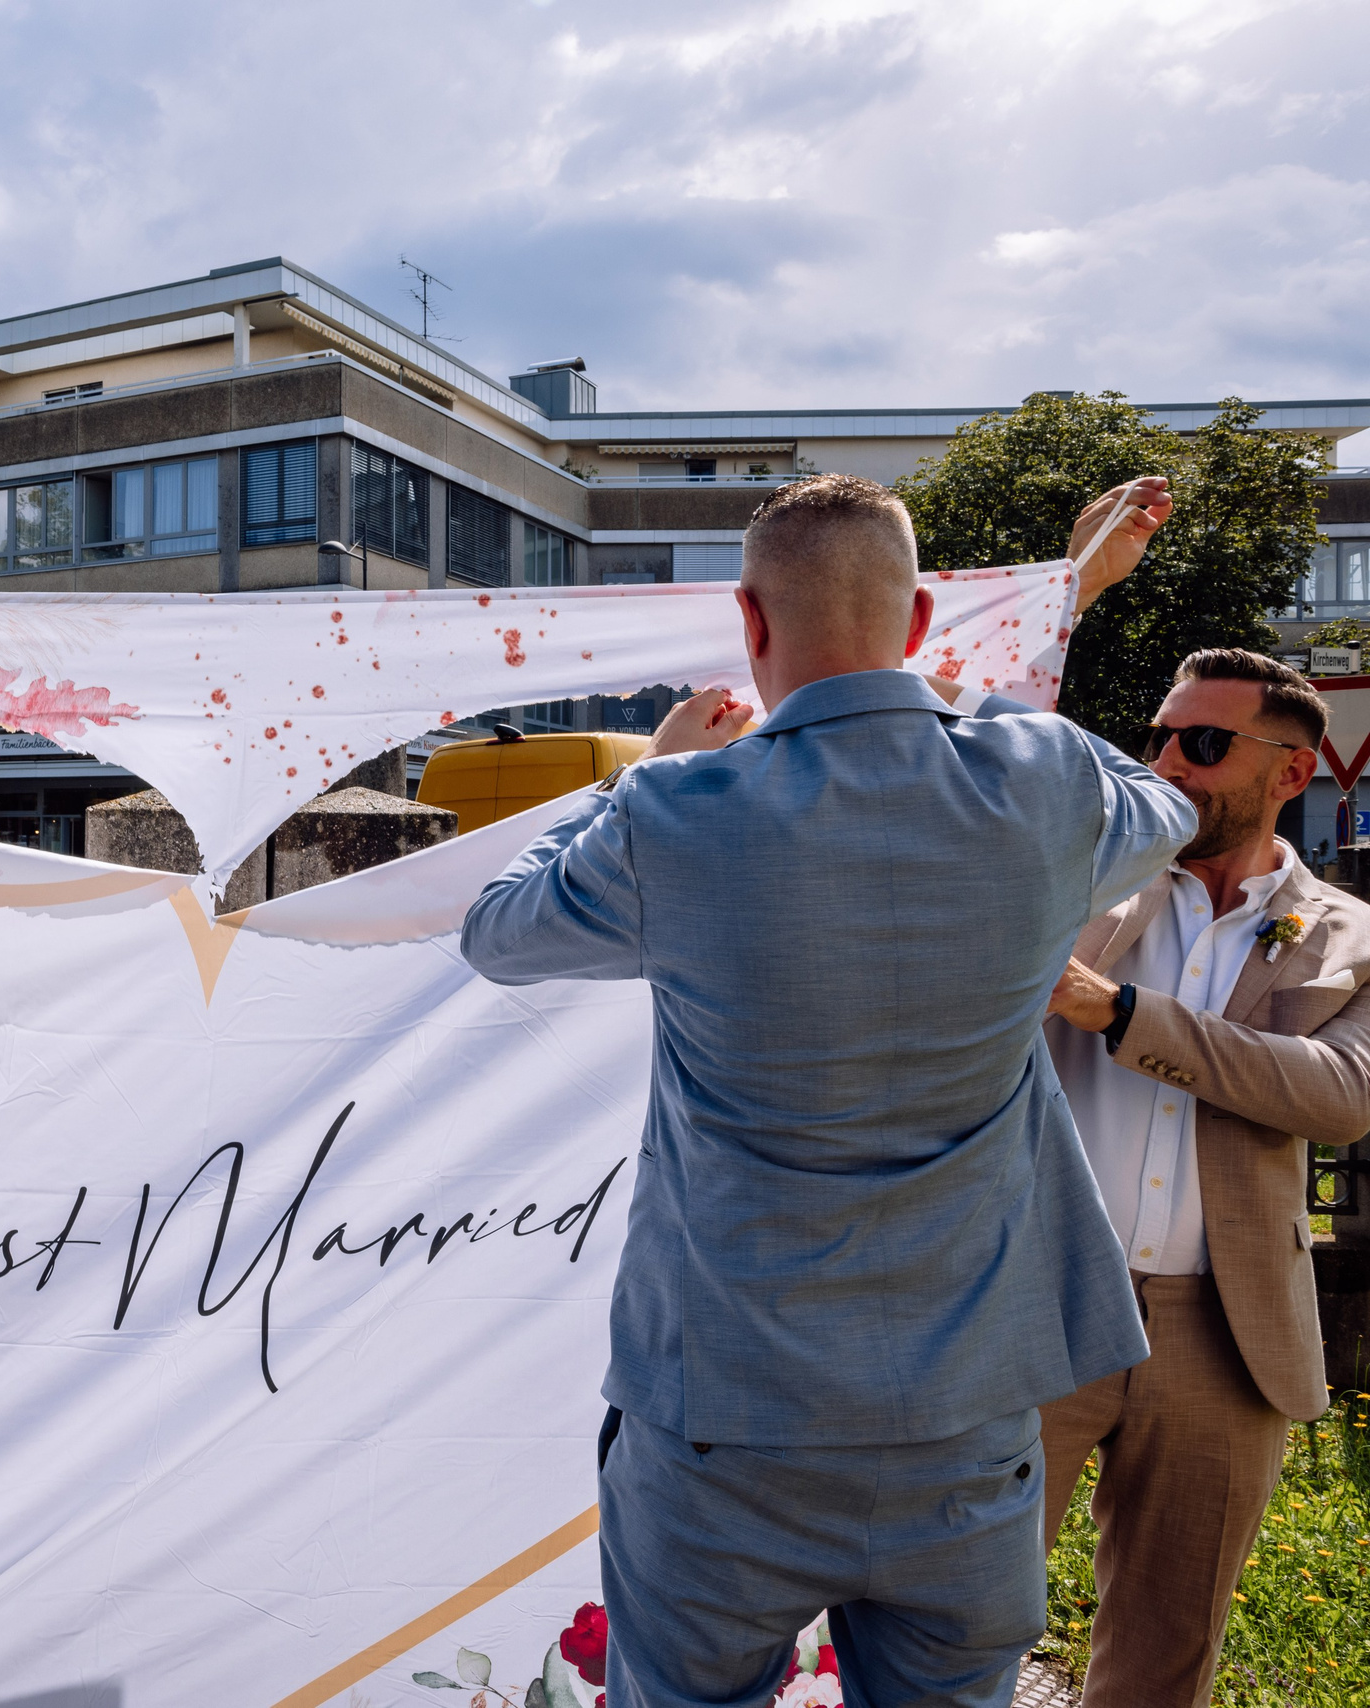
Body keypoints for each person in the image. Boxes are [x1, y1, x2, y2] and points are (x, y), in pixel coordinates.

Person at [459, 473, 1194, 1708]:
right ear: (916, 630)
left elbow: (498, 931)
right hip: (967, 1418)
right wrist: (984, 669)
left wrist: (630, 776)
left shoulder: (671, 810)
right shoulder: (1042, 778)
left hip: (722, 1416)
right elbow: (1164, 809)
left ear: (749, 623)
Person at [1039, 648, 1370, 1708]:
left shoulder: (1351, 935)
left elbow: (1337, 1093)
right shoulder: (1082, 881)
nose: (1169, 762)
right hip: (1037, 1301)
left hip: (1224, 1330)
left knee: (1165, 1652)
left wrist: (1123, 1016)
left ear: (1292, 768)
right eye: (1160, 737)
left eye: (1205, 742)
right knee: (940, 1611)